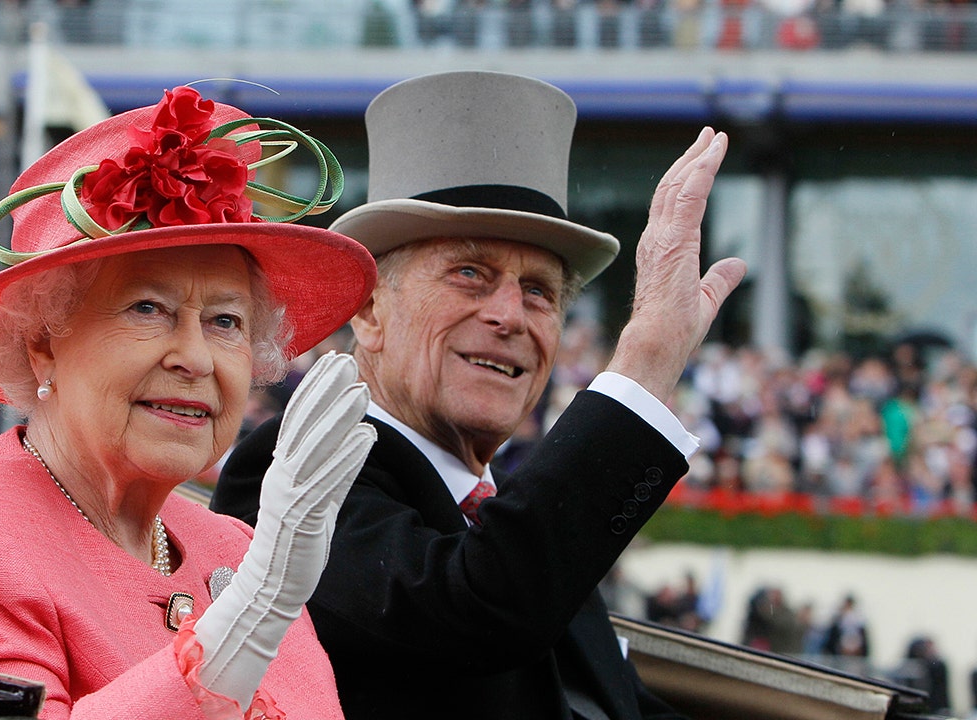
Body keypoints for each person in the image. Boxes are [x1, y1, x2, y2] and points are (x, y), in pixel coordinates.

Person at [212, 70, 746, 719]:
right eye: (470, 273)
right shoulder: (294, 472)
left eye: (539, 291)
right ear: (371, 312)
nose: (510, 316)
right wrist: (648, 360)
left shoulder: (513, 517)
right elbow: (476, 611)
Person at [0, 86, 381, 720]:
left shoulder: (235, 547)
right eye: (147, 309)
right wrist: (249, 614)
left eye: (226, 321)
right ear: (43, 343)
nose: (196, 358)